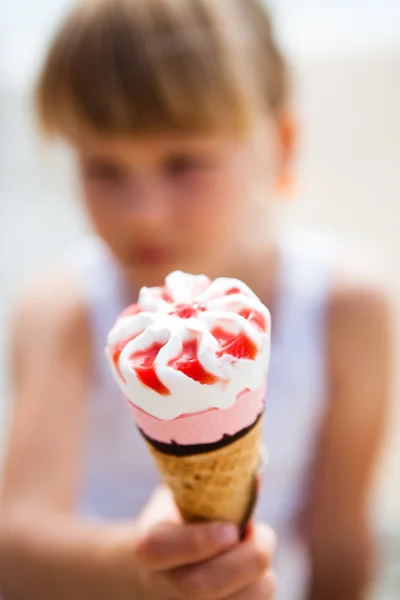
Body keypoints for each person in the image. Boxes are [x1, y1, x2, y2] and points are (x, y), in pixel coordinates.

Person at [0, 0, 392, 598]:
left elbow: (338, 539)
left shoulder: (348, 312)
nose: (143, 213)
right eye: (102, 167)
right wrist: (145, 568)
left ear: (281, 148)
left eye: (183, 163)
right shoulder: (65, 311)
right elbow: (16, 546)